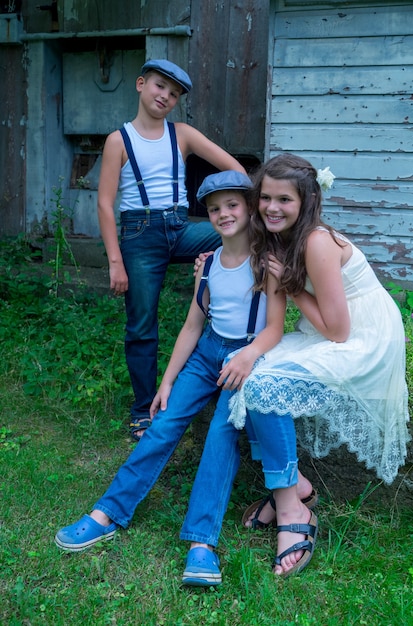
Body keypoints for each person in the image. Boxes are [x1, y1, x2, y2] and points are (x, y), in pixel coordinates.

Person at [54, 171, 287, 587]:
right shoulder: (209, 264)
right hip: (206, 353)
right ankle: (107, 512)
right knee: (161, 424)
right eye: (214, 209)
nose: (223, 214)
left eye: (233, 205)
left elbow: (275, 329)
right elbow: (193, 326)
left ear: (250, 208)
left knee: (221, 435)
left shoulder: (266, 265)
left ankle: (202, 543)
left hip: (247, 355)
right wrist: (166, 381)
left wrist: (250, 355)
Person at [227, 153, 410, 577]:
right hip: (325, 329)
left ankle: (293, 508)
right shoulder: (277, 239)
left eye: (283, 200)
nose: (271, 207)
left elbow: (339, 331)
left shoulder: (316, 241)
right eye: (265, 198)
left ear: (307, 200)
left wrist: (290, 285)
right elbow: (283, 323)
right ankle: (295, 487)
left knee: (265, 387)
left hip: (363, 336)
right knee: (251, 374)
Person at [97, 58, 247, 440]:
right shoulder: (119, 140)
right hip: (139, 235)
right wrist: (116, 261)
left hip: (181, 227)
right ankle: (142, 410)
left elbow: (235, 172)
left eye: (174, 93)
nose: (165, 96)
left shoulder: (181, 134)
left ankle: (232, 324)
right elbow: (104, 203)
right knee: (142, 324)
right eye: (159, 86)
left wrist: (224, 223)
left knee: (240, 235)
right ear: (141, 84)